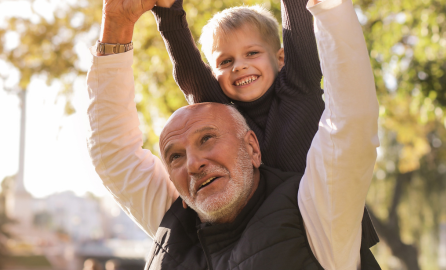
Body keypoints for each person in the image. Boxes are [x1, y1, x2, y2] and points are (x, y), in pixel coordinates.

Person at [86, 0, 380, 268]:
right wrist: (163, 12)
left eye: (207, 139)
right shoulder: (222, 110)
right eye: (175, 155)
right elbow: (189, 75)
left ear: (252, 148)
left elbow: (350, 117)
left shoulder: (318, 216)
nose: (194, 163)